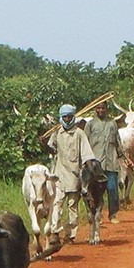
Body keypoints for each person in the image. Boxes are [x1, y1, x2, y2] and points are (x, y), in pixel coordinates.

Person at [46, 103, 97, 243]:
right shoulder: (56, 133)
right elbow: (52, 149)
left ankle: (71, 234)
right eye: (65, 117)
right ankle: (55, 232)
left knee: (72, 206)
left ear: (73, 117)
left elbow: (86, 154)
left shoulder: (79, 134)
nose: (67, 119)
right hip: (59, 175)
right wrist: (43, 144)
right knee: (57, 204)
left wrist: (90, 169)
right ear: (61, 118)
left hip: (75, 175)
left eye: (69, 117)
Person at [83, 103, 123, 223]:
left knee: (112, 189)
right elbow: (85, 143)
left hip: (111, 162)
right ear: (95, 109)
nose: (101, 110)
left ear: (106, 109)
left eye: (103, 108)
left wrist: (123, 157)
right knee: (95, 190)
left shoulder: (112, 124)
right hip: (95, 164)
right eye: (98, 108)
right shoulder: (90, 125)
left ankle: (113, 214)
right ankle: (96, 214)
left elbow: (117, 142)